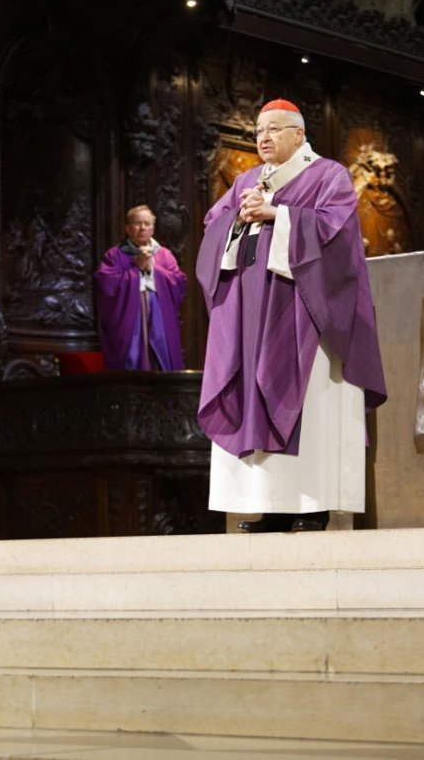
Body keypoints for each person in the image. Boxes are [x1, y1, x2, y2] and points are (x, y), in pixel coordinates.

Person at [196, 99, 387, 532]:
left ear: (299, 135)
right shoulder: (246, 180)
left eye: (274, 129)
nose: (263, 138)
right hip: (252, 318)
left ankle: (312, 507)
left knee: (313, 406)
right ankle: (270, 507)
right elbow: (214, 227)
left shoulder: (328, 175)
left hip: (305, 317)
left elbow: (335, 234)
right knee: (255, 402)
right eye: (258, 131)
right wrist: (239, 222)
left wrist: (278, 216)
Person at [94, 205, 187, 371]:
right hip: (129, 317)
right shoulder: (114, 255)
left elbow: (178, 281)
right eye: (138, 223)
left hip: (159, 312)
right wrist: (136, 271)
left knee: (161, 355)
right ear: (128, 228)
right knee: (131, 358)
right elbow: (106, 284)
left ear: (153, 228)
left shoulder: (164, 254)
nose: (143, 227)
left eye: (147, 223)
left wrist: (152, 269)